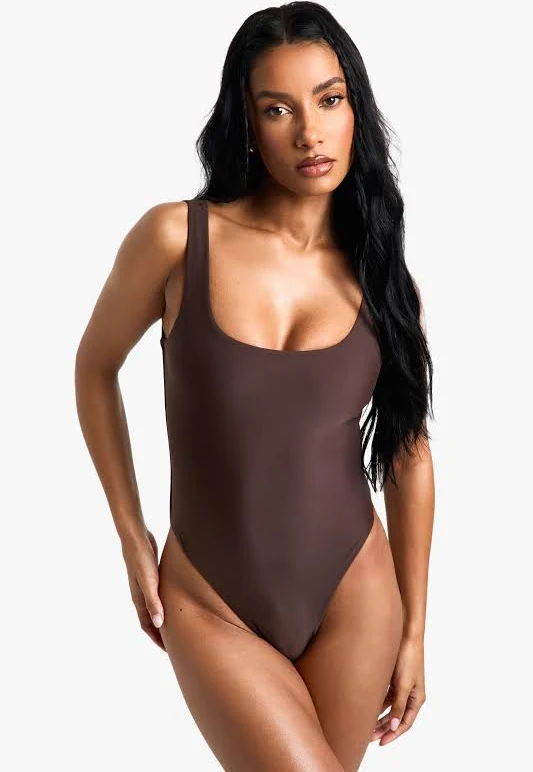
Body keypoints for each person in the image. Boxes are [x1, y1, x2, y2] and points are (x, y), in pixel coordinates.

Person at [75, 2, 435, 769]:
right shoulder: (176, 238)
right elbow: (94, 368)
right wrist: (130, 533)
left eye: (328, 100)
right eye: (277, 109)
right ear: (246, 123)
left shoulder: (383, 282)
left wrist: (413, 631)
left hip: (354, 595)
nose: (309, 133)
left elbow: (407, 455)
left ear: (355, 110)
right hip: (210, 600)